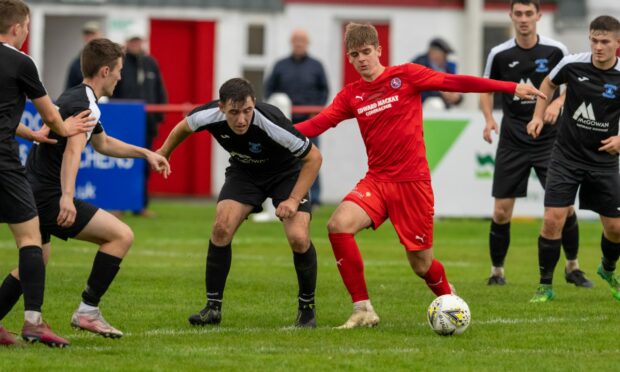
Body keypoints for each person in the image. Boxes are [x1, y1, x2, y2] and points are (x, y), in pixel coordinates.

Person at [295, 22, 545, 329]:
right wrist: (272, 133)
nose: (361, 59)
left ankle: (450, 299)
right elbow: (316, 125)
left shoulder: (406, 76)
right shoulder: (352, 95)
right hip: (377, 181)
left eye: (366, 52)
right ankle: (363, 309)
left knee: (421, 264)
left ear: (379, 51)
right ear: (349, 58)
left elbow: (456, 82)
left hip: (413, 184)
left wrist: (510, 87)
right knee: (338, 225)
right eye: (355, 54)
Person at [0, 38, 171, 341]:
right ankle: (87, 311)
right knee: (121, 235)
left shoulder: (78, 96)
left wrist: (146, 153)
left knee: (36, 259)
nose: (122, 76)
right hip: (49, 194)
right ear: (105, 70)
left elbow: (102, 143)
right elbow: (73, 152)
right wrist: (67, 197)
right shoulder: (85, 103)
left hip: (34, 188)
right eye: (119, 70)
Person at [157, 78, 322, 328]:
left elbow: (314, 158)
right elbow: (183, 127)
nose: (242, 119)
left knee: (298, 237)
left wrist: (292, 199)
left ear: (253, 103)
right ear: (222, 107)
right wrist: (164, 152)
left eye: (247, 111)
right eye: (234, 113)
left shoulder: (270, 122)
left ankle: (307, 310)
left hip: (287, 175)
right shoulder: (208, 114)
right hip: (245, 173)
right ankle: (212, 308)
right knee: (221, 228)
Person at [0, 0, 96, 347]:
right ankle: (34, 322)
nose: (26, 32)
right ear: (17, 28)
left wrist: (33, 134)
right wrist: (63, 128)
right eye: (26, 26)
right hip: (5, 165)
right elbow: (51, 115)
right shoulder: (20, 61)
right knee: (32, 243)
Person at [480, 0, 591, 287]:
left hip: (550, 140)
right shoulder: (499, 53)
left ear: (539, 16)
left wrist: (558, 104)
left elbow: (573, 89)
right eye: (519, 13)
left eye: (529, 13)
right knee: (501, 211)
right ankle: (497, 273)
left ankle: (573, 267)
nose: (524, 19)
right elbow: (485, 88)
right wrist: (489, 119)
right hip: (512, 139)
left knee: (563, 208)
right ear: (511, 16)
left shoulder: (556, 50)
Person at [526, 15, 620, 303]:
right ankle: (545, 286)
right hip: (566, 156)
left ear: (617, 43)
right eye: (594, 40)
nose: (598, 47)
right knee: (553, 220)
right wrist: (537, 116)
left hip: (603, 161)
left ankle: (607, 268)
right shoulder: (572, 64)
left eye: (605, 42)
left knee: (616, 229)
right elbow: (548, 83)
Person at [265, 29, 328, 208]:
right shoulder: (280, 65)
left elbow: (324, 90)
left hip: (310, 121)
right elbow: (270, 90)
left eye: (302, 40)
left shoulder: (317, 66)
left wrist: (315, 112)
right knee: (283, 159)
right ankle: (281, 194)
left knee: (312, 157)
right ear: (291, 42)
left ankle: (313, 198)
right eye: (296, 40)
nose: (299, 43)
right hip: (285, 122)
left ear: (307, 43)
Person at [112, 29, 167, 217]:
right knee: (122, 164)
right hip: (124, 122)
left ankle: (139, 206)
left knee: (144, 165)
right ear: (127, 41)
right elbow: (112, 91)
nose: (136, 44)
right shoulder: (120, 63)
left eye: (138, 40)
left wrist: (159, 117)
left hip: (147, 124)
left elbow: (160, 90)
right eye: (132, 40)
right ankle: (119, 204)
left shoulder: (151, 63)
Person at [412, 37, 462, 109]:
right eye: (443, 54)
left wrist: (457, 97)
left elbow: (456, 87)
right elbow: (421, 88)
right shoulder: (419, 66)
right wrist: (441, 94)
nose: (445, 58)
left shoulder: (449, 67)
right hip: (420, 107)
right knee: (435, 103)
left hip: (444, 108)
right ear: (432, 52)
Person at [65, 20, 102, 89]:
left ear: (100, 35)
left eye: (93, 34)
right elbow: (69, 90)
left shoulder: (109, 59)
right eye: (87, 35)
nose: (90, 38)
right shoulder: (76, 64)